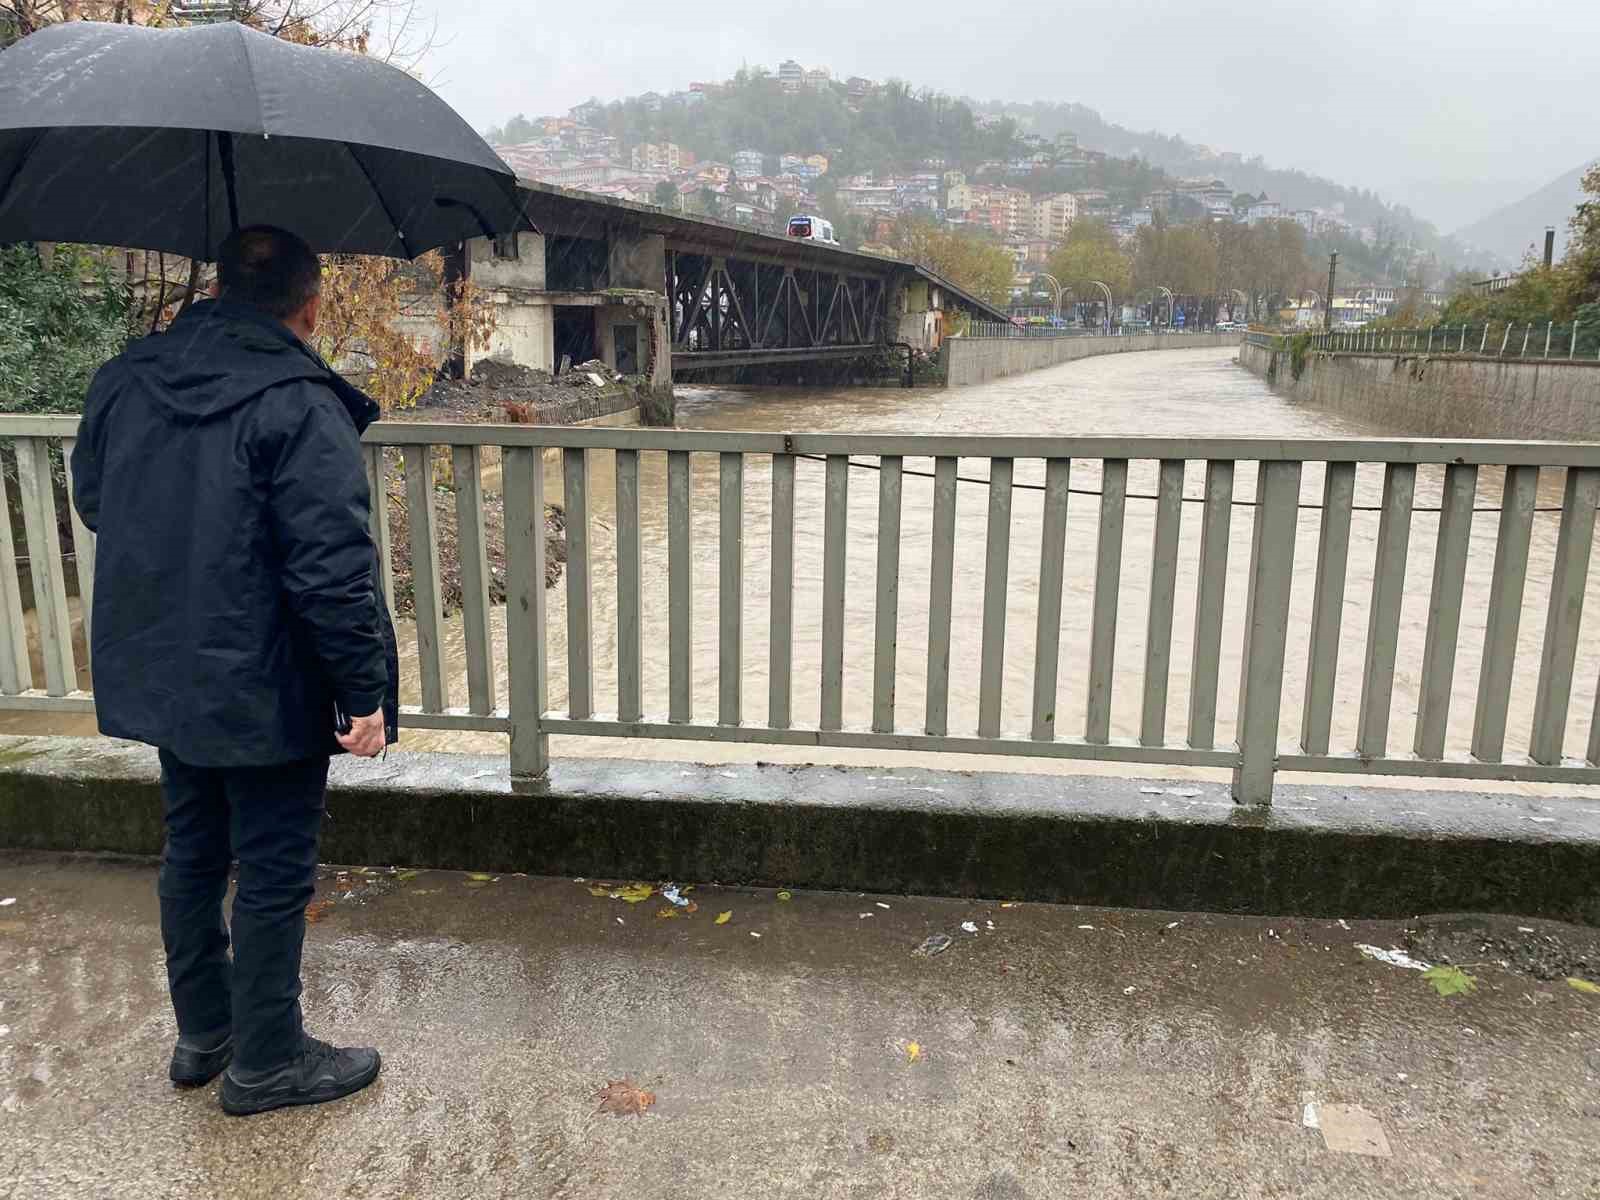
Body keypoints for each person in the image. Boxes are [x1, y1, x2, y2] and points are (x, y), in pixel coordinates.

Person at [70, 225, 399, 1117]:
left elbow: (96, 500)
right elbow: (331, 568)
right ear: (311, 308)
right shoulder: (299, 401)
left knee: (193, 849)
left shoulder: (129, 377)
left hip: (170, 662)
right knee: (274, 868)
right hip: (268, 677)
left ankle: (206, 1034)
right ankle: (268, 1061)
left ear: (217, 291)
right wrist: (361, 691)